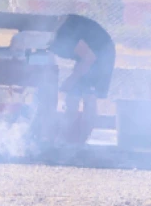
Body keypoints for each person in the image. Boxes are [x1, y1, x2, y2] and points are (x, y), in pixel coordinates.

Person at [48, 13, 115, 144]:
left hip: (102, 55)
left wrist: (71, 79)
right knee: (73, 94)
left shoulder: (63, 34)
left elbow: (89, 58)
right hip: (89, 56)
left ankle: (81, 143)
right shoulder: (51, 40)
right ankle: (67, 139)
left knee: (89, 96)